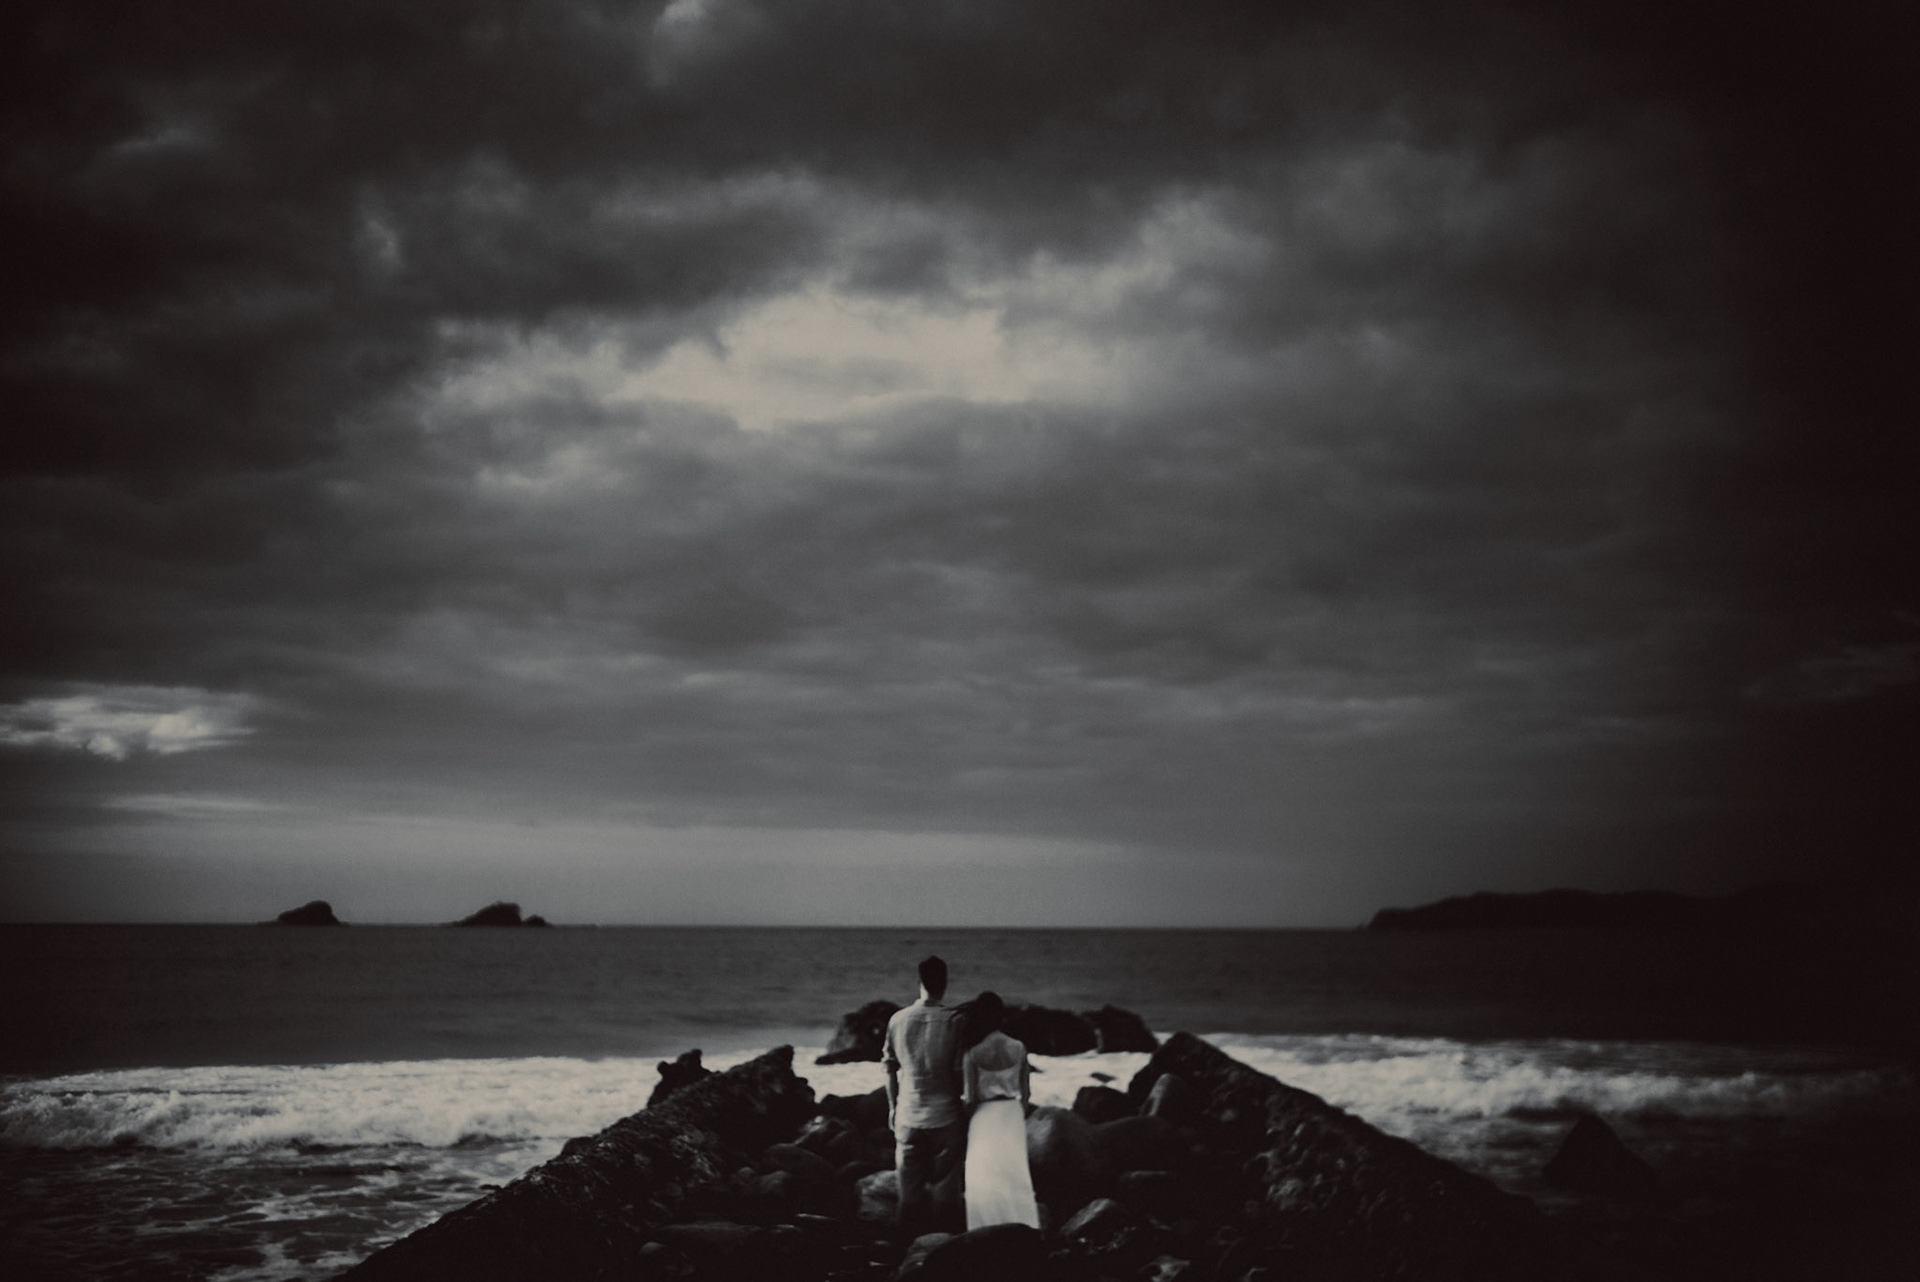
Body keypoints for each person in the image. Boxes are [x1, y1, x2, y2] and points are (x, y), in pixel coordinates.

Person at [883, 955, 964, 1233]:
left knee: (908, 1195)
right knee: (946, 1194)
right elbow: (959, 1072)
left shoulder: (897, 1020)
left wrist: (893, 1108)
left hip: (908, 1116)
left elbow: (889, 1069)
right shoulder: (955, 1021)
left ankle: (903, 1254)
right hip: (946, 1118)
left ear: (918, 982)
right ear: (945, 983)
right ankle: (942, 1254)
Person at [954, 990, 1040, 1230]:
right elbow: (1026, 1092)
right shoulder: (1019, 1047)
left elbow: (970, 1097)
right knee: (1016, 1174)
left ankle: (985, 1228)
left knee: (982, 1175)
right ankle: (1024, 1225)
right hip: (1011, 1113)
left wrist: (966, 1122)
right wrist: (1016, 1114)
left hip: (984, 1115)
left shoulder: (973, 1052)